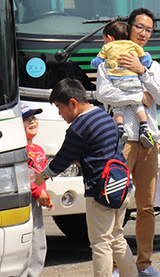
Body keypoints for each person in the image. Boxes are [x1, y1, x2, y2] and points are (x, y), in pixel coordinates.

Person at [34, 79, 138, 277]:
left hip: (101, 190)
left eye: (59, 107)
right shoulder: (102, 115)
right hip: (121, 184)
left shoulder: (79, 127)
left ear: (73, 103)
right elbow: (100, 151)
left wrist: (39, 179)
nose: (59, 114)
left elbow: (61, 161)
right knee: (117, 237)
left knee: (100, 243)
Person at [95, 8, 160, 277]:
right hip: (121, 140)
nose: (144, 33)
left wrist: (142, 71)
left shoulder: (151, 63)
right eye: (140, 27)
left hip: (149, 141)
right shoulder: (108, 61)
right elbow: (104, 94)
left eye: (149, 30)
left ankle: (145, 264)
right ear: (129, 27)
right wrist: (139, 98)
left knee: (146, 206)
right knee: (116, 202)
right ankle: (116, 267)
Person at [90, 20, 155, 148]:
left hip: (117, 83)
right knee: (139, 107)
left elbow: (97, 62)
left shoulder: (107, 47)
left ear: (109, 38)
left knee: (116, 108)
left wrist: (93, 63)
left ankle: (120, 129)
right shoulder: (133, 45)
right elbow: (146, 58)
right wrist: (143, 67)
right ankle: (144, 128)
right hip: (134, 83)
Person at [21, 103, 53, 277]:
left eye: (34, 117)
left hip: (38, 199)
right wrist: (37, 192)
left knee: (38, 238)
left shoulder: (39, 150)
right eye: (26, 119)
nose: (32, 121)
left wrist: (45, 195)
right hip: (25, 199)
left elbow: (41, 176)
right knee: (26, 238)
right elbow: (24, 176)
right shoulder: (18, 149)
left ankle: (34, 272)